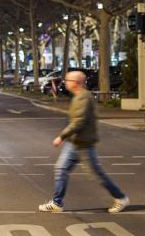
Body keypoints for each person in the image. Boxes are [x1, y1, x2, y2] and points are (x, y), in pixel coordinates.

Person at [39, 71, 130, 213]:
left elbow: (78, 122)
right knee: (61, 169)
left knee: (97, 174)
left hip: (83, 144)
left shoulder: (83, 98)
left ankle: (121, 198)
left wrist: (61, 137)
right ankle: (57, 202)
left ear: (75, 82)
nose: (65, 82)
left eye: (68, 80)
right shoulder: (78, 97)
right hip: (74, 143)